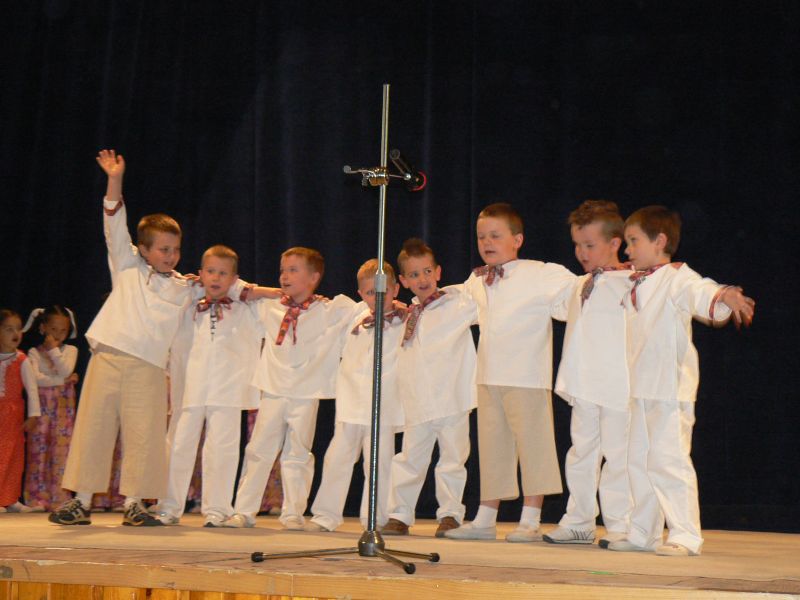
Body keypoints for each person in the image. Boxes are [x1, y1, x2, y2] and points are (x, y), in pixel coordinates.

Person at [49, 149, 251, 527]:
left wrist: (279, 295)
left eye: (175, 249)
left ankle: (136, 504)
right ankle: (81, 501)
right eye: (163, 249)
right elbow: (113, 219)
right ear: (143, 249)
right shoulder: (126, 265)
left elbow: (229, 286)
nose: (171, 256)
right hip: (109, 357)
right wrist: (115, 178)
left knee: (145, 435)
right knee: (94, 428)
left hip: (150, 367)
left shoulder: (184, 286)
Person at [607, 205, 754, 557]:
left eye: (633, 241)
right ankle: (643, 532)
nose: (627, 249)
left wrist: (725, 294)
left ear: (660, 241)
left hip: (669, 390)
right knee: (638, 461)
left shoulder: (676, 277)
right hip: (641, 389)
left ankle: (686, 534)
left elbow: (701, 290)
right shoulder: (636, 281)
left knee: (668, 460)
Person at [446, 203, 576, 542]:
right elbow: (454, 306)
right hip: (489, 375)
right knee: (492, 447)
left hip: (527, 376)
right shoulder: (477, 279)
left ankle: (530, 520)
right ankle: (485, 518)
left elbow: (576, 294)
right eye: (481, 237)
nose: (487, 242)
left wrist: (609, 277)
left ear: (517, 239)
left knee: (534, 445)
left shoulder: (541, 273)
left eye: (495, 235)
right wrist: (422, 303)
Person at [224, 247, 356, 530]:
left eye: (293, 270)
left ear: (314, 277)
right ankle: (244, 510)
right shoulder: (270, 306)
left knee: (298, 453)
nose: (284, 276)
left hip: (306, 393)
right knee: (259, 450)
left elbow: (361, 309)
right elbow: (233, 289)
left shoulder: (328, 310)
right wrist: (270, 292)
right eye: (283, 270)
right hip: (273, 389)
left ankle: (293, 512)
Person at [543, 200, 633, 546]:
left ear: (615, 243)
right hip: (583, 382)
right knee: (581, 453)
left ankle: (621, 523)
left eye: (589, 245)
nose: (581, 252)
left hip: (617, 384)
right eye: (577, 245)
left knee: (618, 455)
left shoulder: (632, 282)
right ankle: (579, 520)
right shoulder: (579, 284)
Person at [157, 245, 264, 527]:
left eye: (223, 273)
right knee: (179, 445)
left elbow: (270, 301)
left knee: (222, 449)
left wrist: (241, 290)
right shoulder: (188, 303)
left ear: (234, 279)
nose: (216, 278)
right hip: (190, 387)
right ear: (201, 273)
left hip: (228, 389)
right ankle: (169, 505)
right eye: (211, 271)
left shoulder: (247, 308)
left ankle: (217, 508)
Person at [381, 239, 477, 538]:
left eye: (426, 271)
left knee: (452, 459)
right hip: (418, 401)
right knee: (409, 459)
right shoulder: (407, 314)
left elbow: (483, 298)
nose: (422, 279)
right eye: (413, 274)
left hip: (452, 399)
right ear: (403, 281)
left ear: (438, 272)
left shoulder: (457, 302)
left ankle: (450, 514)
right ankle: (399, 514)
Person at [306, 259, 405, 532]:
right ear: (361, 294)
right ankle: (325, 515)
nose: (378, 298)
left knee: (380, 463)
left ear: (396, 289)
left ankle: (374, 518)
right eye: (371, 292)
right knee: (337, 459)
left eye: (384, 291)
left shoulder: (404, 319)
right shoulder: (353, 315)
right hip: (351, 403)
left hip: (383, 406)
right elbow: (325, 316)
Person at [21, 305, 79, 511]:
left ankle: (60, 498)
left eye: (63, 330)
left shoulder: (71, 351)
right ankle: (37, 497)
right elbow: (36, 380)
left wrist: (54, 351)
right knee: (38, 451)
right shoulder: (34, 352)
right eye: (53, 329)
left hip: (63, 411)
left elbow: (66, 369)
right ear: (43, 327)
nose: (58, 334)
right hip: (42, 409)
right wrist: (61, 381)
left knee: (61, 452)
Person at [0, 309, 41, 513]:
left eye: (18, 329)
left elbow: (32, 389)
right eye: (9, 329)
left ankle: (11, 498)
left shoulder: (22, 360)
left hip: (12, 415)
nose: (15, 333)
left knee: (14, 455)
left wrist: (34, 414)